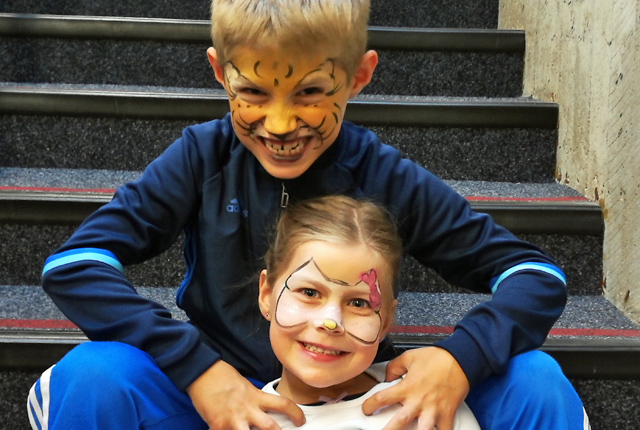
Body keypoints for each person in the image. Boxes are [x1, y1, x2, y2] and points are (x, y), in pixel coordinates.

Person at [27, 1, 590, 429]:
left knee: (534, 378)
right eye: (253, 91)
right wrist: (198, 370)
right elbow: (74, 264)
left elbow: (535, 276)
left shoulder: (385, 175)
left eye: (310, 92)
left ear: (359, 76)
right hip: (220, 395)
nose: (278, 125)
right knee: (95, 375)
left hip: (356, 398)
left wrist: (461, 359)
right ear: (220, 72)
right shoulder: (201, 157)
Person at [256, 195, 480, 430]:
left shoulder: (430, 395)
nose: (330, 322)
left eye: (358, 303)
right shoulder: (245, 420)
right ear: (267, 295)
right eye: (309, 293)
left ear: (386, 322)